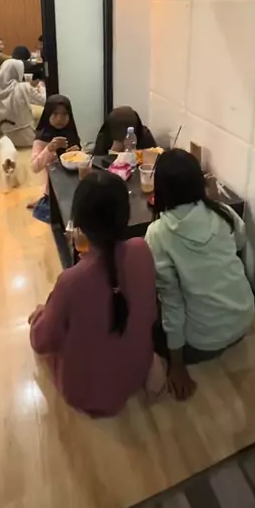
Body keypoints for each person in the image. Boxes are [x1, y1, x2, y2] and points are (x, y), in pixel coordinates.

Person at [29, 170, 161, 416]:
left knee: (44, 325)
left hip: (86, 393)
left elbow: (42, 341)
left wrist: (40, 315)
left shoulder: (72, 281)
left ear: (79, 222)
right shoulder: (142, 249)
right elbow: (149, 312)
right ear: (126, 214)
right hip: (136, 372)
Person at [146, 149, 254, 401]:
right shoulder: (222, 212)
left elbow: (172, 302)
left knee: (147, 316)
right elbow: (239, 242)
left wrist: (177, 365)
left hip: (202, 344)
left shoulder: (158, 233)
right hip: (243, 322)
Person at [30, 95, 81, 203]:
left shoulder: (71, 134)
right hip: (53, 190)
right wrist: (49, 149)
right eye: (55, 114)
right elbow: (34, 167)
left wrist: (77, 155)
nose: (59, 119)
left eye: (64, 114)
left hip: (74, 187)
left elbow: (81, 165)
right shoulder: (41, 138)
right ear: (48, 114)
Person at [0, 58, 45, 148]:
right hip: (28, 138)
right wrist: (41, 86)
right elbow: (44, 100)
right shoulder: (24, 87)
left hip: (5, 139)